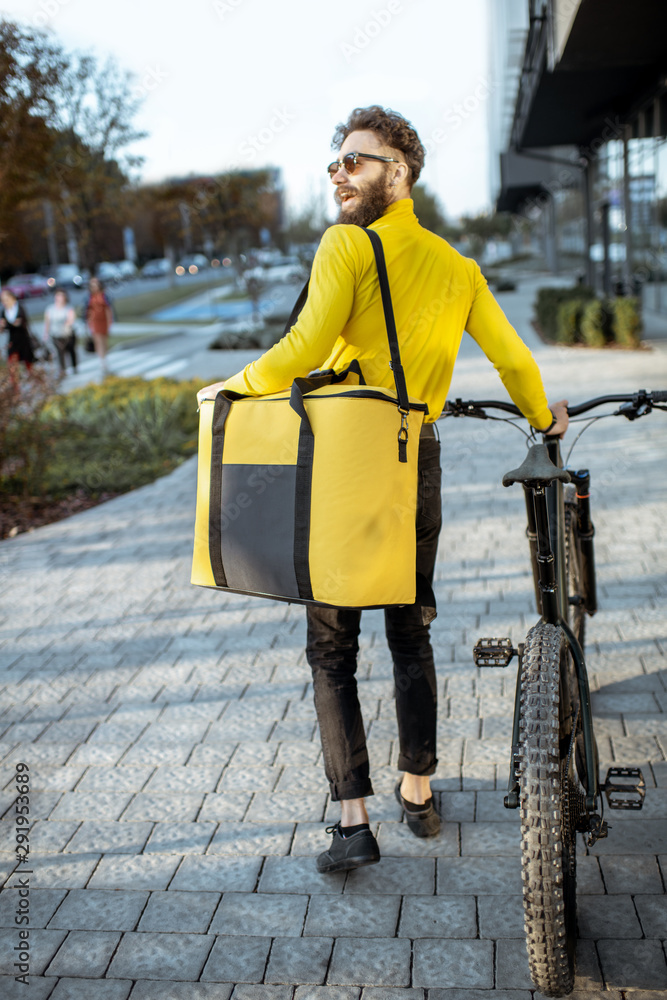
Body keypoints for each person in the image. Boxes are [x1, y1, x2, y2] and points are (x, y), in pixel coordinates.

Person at [197, 106, 568, 874]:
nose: (339, 174)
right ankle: (420, 793)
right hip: (414, 457)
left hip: (340, 463)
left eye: (356, 161)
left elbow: (302, 347)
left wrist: (227, 391)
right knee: (411, 631)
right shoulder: (457, 267)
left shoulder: (345, 245)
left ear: (399, 173)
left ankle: (353, 821)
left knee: (331, 647)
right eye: (334, 163)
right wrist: (543, 418)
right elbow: (512, 361)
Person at [1, 288, 35, 377]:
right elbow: (4, 327)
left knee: (28, 363)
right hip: (12, 340)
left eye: (6, 299)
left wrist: (7, 324)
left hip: (23, 339)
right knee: (11, 363)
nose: (4, 302)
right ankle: (15, 386)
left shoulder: (19, 308)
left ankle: (34, 382)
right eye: (2, 300)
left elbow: (20, 323)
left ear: (11, 297)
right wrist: (5, 326)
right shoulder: (4, 311)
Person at [44, 289, 78, 375]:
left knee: (71, 351)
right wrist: (46, 334)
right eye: (58, 295)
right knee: (59, 352)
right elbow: (47, 322)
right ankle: (62, 369)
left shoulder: (68, 308)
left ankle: (74, 367)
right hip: (56, 334)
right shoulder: (50, 309)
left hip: (68, 334)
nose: (59, 297)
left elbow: (71, 319)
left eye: (61, 295)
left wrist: (67, 325)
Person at [85, 277, 113, 376]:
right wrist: (88, 322)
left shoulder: (104, 295)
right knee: (98, 341)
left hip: (104, 321)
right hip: (94, 321)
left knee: (104, 341)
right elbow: (87, 310)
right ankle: (101, 360)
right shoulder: (89, 297)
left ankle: (105, 358)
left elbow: (108, 309)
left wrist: (110, 320)